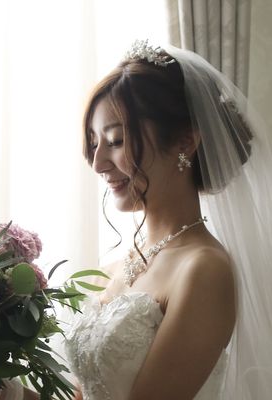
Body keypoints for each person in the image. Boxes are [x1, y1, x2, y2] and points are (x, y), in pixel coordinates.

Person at [64, 40, 272, 399]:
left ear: (185, 141)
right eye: (94, 143)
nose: (97, 164)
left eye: (115, 140)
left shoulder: (203, 269)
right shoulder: (115, 267)